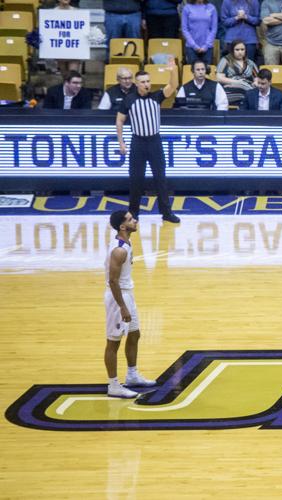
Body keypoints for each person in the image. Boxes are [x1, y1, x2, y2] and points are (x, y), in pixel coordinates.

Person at [116, 61, 181, 223]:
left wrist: (173, 71)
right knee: (136, 179)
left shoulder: (156, 96)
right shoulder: (129, 100)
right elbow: (119, 121)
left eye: (148, 81)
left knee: (161, 178)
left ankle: (166, 213)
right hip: (137, 142)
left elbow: (173, 86)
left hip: (154, 142)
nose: (146, 84)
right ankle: (134, 213)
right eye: (143, 82)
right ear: (136, 84)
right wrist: (121, 142)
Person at [103, 210, 157, 398]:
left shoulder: (126, 241)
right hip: (118, 298)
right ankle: (113, 385)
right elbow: (112, 281)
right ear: (122, 226)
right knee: (113, 342)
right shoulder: (119, 250)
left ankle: (132, 375)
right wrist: (122, 307)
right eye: (130, 219)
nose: (135, 220)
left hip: (127, 294)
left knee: (134, 334)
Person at [216, 40, 259, 106]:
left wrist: (256, 82)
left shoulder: (250, 63)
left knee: (254, 95)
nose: (240, 52)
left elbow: (257, 77)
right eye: (237, 50)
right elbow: (219, 78)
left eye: (242, 49)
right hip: (230, 89)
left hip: (248, 88)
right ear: (232, 50)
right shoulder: (225, 60)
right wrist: (236, 82)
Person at [182, 0, 218, 66]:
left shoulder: (212, 8)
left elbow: (214, 29)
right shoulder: (187, 8)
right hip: (191, 47)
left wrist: (206, 45)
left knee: (207, 71)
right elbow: (185, 29)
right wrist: (194, 46)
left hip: (207, 47)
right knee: (191, 72)